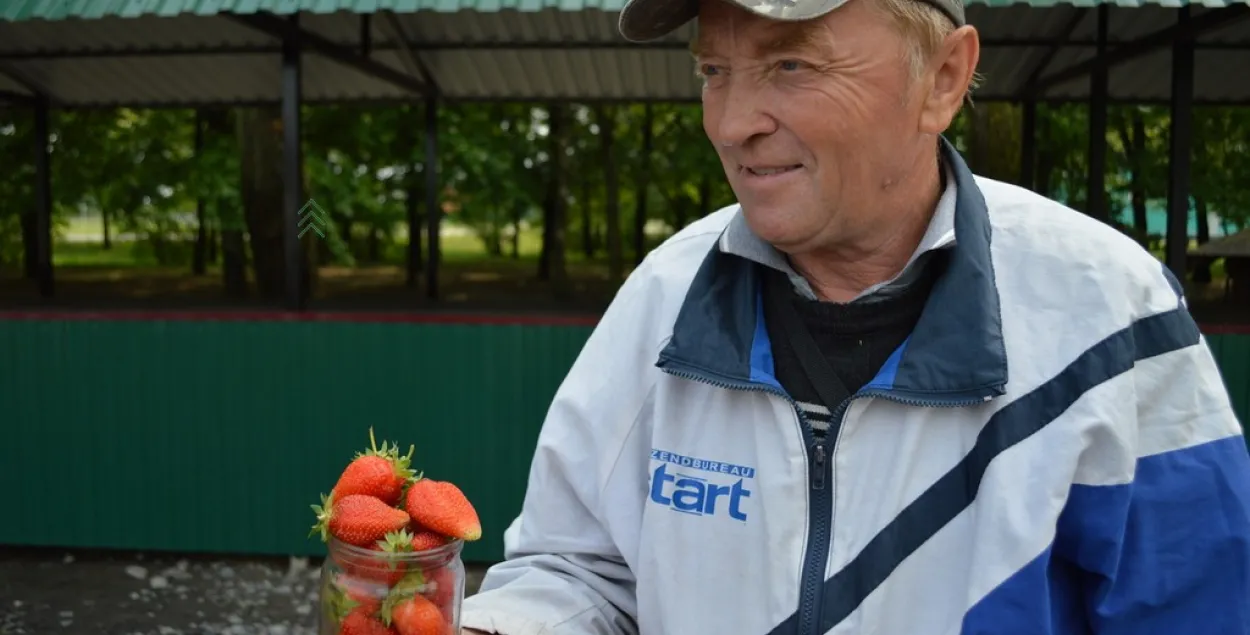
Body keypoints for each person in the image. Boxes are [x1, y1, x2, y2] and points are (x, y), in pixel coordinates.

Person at [459, 0, 1250, 629]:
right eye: (714, 69)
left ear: (942, 77)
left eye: (791, 63)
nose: (732, 123)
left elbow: (1202, 609)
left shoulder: (1110, 314)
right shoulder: (666, 293)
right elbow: (580, 573)